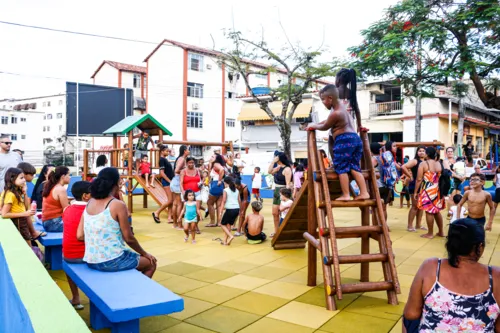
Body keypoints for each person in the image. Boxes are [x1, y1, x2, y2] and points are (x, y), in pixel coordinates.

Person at [403, 218, 500, 332]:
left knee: (408, 321)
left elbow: (411, 314)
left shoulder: (431, 267)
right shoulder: (495, 276)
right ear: (480, 247)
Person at [77, 167, 156, 277]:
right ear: (116, 184)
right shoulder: (117, 205)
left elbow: (79, 235)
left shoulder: (90, 202)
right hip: (111, 260)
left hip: (91, 260)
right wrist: (144, 253)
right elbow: (129, 238)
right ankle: (136, 292)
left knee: (130, 257)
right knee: (151, 263)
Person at [305, 85, 370, 201]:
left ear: (330, 98)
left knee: (341, 168)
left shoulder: (335, 113)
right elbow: (327, 121)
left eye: (323, 100)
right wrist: (318, 123)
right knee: (354, 167)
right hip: (355, 139)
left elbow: (325, 126)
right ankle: (364, 192)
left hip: (344, 140)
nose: (323, 103)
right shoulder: (344, 110)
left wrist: (313, 126)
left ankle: (345, 195)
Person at [62, 181, 91, 310]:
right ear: (86, 196)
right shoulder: (90, 211)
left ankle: (75, 297)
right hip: (84, 255)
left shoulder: (67, 208)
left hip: (68, 255)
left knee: (69, 267)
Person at [414, 147, 445, 239]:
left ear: (427, 154)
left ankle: (430, 233)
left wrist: (416, 192)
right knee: (436, 211)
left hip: (428, 190)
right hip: (438, 190)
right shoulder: (438, 163)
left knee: (429, 211)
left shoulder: (423, 164)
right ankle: (441, 231)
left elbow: (419, 179)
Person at [1, 167, 36, 245]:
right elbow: (4, 214)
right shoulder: (11, 194)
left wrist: (25, 192)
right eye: (21, 178)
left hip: (22, 220)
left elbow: (26, 207)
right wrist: (24, 214)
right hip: (19, 221)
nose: (24, 180)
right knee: (27, 245)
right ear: (12, 179)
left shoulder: (17, 191)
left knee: (28, 243)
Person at [16, 162, 45, 240]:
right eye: (32, 175)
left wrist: (25, 193)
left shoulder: (22, 187)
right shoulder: (16, 189)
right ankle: (33, 233)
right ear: (24, 174)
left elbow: (26, 206)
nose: (33, 177)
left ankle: (33, 232)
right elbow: (26, 208)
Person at [268, 152, 293, 237]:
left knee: (284, 212)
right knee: (275, 213)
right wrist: (272, 162)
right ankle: (276, 231)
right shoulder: (278, 167)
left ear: (279, 158)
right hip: (276, 191)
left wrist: (286, 197)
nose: (274, 157)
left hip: (283, 191)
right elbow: (269, 171)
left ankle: (283, 231)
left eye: (276, 157)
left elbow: (288, 184)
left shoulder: (287, 169)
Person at [41, 166, 71, 232]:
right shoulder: (60, 189)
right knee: (80, 225)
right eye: (69, 175)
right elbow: (66, 209)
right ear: (63, 176)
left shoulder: (50, 186)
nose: (70, 177)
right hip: (54, 223)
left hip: (46, 222)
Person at [371, 142, 392, 225]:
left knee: (375, 208)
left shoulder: (373, 159)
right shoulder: (384, 158)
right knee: (384, 208)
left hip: (377, 186)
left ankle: (375, 226)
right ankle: (383, 226)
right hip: (387, 185)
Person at [180, 157, 202, 233]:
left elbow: (201, 179)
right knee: (188, 211)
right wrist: (183, 192)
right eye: (189, 162)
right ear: (186, 163)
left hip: (197, 192)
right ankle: (189, 226)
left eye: (192, 162)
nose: (191, 164)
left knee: (197, 211)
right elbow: (181, 183)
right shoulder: (183, 171)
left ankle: (196, 225)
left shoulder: (198, 170)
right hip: (187, 194)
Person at [152, 145, 174, 223]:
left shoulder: (165, 159)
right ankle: (157, 212)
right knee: (170, 200)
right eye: (166, 151)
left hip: (170, 181)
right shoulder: (161, 160)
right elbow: (162, 173)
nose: (168, 152)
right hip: (167, 182)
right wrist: (169, 181)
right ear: (162, 151)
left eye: (168, 151)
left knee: (171, 200)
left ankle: (169, 217)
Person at [170, 145, 189, 229]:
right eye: (188, 150)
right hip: (178, 181)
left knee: (175, 203)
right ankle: (179, 224)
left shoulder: (180, 158)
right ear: (185, 151)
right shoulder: (182, 159)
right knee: (179, 204)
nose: (189, 151)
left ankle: (175, 224)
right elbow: (176, 170)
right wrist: (185, 169)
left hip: (175, 181)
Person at [218, 177, 240, 245]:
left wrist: (220, 212)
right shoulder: (237, 190)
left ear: (225, 183)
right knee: (228, 225)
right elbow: (239, 200)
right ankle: (225, 241)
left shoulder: (225, 190)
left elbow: (223, 201)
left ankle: (230, 236)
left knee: (222, 224)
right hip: (236, 209)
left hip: (230, 209)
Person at [206, 153, 226, 227]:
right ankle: (219, 222)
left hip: (216, 184)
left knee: (209, 203)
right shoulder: (214, 164)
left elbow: (222, 169)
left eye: (213, 156)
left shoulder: (216, 164)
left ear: (216, 158)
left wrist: (219, 180)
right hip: (219, 185)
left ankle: (212, 221)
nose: (211, 157)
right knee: (218, 205)